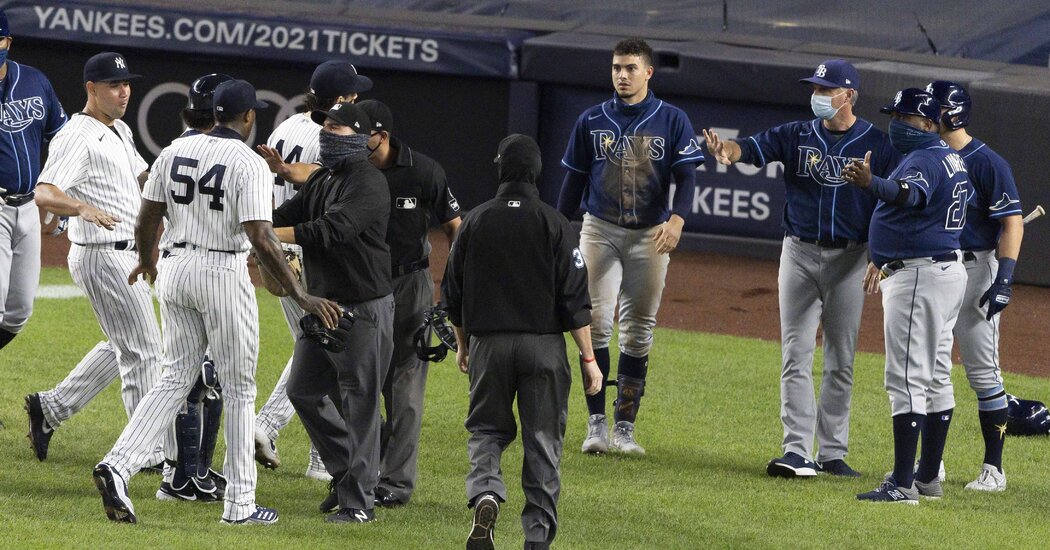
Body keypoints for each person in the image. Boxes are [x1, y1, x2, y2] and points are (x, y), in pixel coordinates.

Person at [92, 79, 341, 524]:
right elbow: (262, 238)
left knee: (173, 378)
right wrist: (301, 293)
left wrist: (148, 258)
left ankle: (118, 465)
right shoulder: (248, 163)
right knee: (241, 389)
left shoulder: (172, 151)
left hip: (174, 268)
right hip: (222, 273)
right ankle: (240, 505)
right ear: (247, 117)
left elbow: (148, 213)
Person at [703, 59, 900, 478]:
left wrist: (879, 255)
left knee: (841, 360)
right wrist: (727, 151)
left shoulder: (878, 145)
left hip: (850, 258)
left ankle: (831, 453)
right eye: (815, 88)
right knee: (796, 353)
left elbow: (893, 201)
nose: (818, 96)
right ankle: (796, 451)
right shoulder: (795, 134)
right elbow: (749, 150)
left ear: (849, 96)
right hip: (798, 254)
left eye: (826, 90)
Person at [444, 134, 602, 550]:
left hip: (488, 346)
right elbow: (575, 298)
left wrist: (463, 346)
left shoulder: (474, 221)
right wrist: (589, 358)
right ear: (537, 172)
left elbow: (452, 295)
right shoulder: (555, 223)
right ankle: (536, 540)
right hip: (544, 348)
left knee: (486, 431)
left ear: (500, 168)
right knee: (543, 440)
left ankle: (486, 495)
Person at [557, 38, 703, 455]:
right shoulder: (592, 120)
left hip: (650, 234)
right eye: (617, 68)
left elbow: (688, 176)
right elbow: (573, 180)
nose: (622, 75)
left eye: (631, 68)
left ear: (648, 73)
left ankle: (625, 429)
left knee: (639, 330)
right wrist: (557, 227)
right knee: (596, 321)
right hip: (599, 228)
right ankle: (596, 424)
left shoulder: (671, 119)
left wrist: (678, 218)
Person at [27, 52, 165, 466]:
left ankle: (50, 408)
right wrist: (81, 208)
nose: (124, 92)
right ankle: (149, 452)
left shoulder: (118, 128)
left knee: (125, 343)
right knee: (145, 352)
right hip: (103, 256)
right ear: (91, 89)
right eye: (113, 85)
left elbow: (143, 176)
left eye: (126, 84)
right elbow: (45, 191)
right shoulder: (77, 135)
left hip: (122, 253)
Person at [843, 88, 970, 504]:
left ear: (931, 125)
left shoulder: (925, 158)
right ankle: (928, 477)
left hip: (920, 275)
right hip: (941, 271)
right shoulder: (950, 157)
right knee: (934, 374)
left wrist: (870, 182)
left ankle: (901, 483)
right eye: (894, 116)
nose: (896, 125)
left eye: (906, 118)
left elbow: (910, 195)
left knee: (907, 378)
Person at [271, 101, 394, 524]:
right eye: (326, 124)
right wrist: (254, 222)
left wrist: (265, 235)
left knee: (359, 403)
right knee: (302, 390)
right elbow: (285, 215)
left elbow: (332, 230)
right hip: (323, 305)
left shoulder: (370, 183)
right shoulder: (323, 179)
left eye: (338, 128)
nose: (327, 132)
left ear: (361, 140)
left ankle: (359, 504)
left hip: (363, 307)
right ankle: (348, 477)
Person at [252, 59, 372, 481]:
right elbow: (325, 182)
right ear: (341, 99)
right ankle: (287, 437)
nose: (358, 98)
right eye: (353, 93)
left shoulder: (284, 128)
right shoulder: (335, 135)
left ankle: (282, 433)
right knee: (325, 349)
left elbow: (269, 186)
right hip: (312, 248)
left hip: (279, 243)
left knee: (314, 345)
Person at [919, 81, 1022, 492]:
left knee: (983, 373)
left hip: (977, 268)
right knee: (931, 373)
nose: (926, 114)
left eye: (934, 108)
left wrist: (1005, 278)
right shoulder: (927, 156)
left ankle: (993, 470)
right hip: (934, 270)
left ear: (952, 113)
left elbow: (1012, 222)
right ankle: (932, 465)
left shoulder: (988, 162)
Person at [0, 9, 67, 353]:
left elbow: (62, 140)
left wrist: (61, 198)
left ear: (8, 42)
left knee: (17, 313)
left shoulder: (34, 80)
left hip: (28, 206)